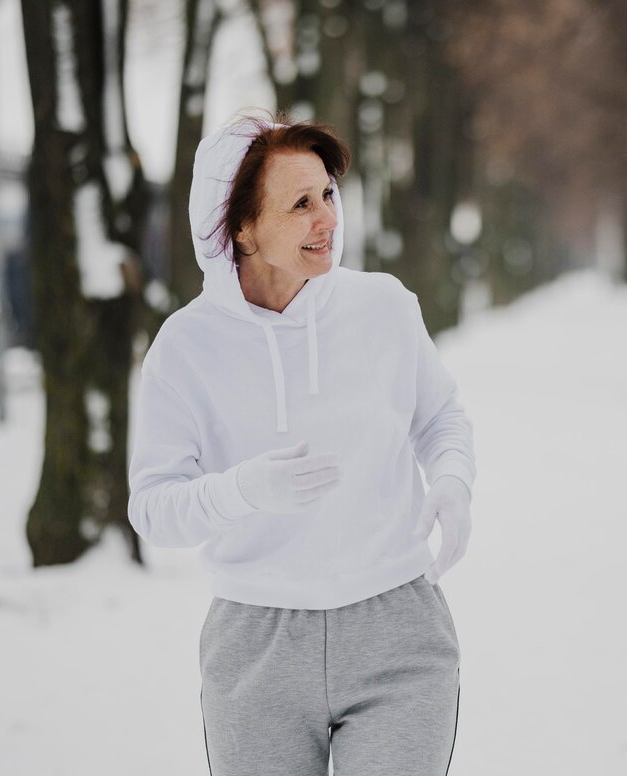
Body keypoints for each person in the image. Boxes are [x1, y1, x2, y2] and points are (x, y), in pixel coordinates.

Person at [128, 117, 475, 776]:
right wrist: (242, 491)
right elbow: (152, 508)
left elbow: (441, 418)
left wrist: (453, 483)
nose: (326, 220)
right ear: (241, 228)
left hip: (396, 626)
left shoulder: (383, 308)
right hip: (257, 641)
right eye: (299, 204)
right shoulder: (185, 349)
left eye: (328, 196)